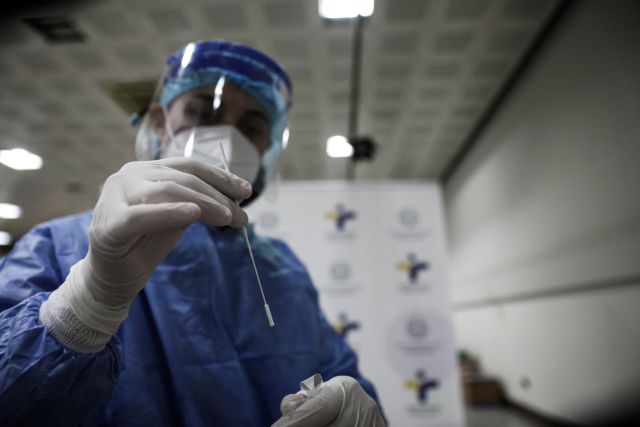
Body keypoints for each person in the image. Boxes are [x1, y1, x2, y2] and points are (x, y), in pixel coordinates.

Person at [0, 39, 385, 426]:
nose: (227, 136)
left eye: (252, 126)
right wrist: (83, 307)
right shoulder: (56, 247)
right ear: (160, 123)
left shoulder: (283, 269)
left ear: (267, 145)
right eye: (202, 112)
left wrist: (348, 407)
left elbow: (333, 369)